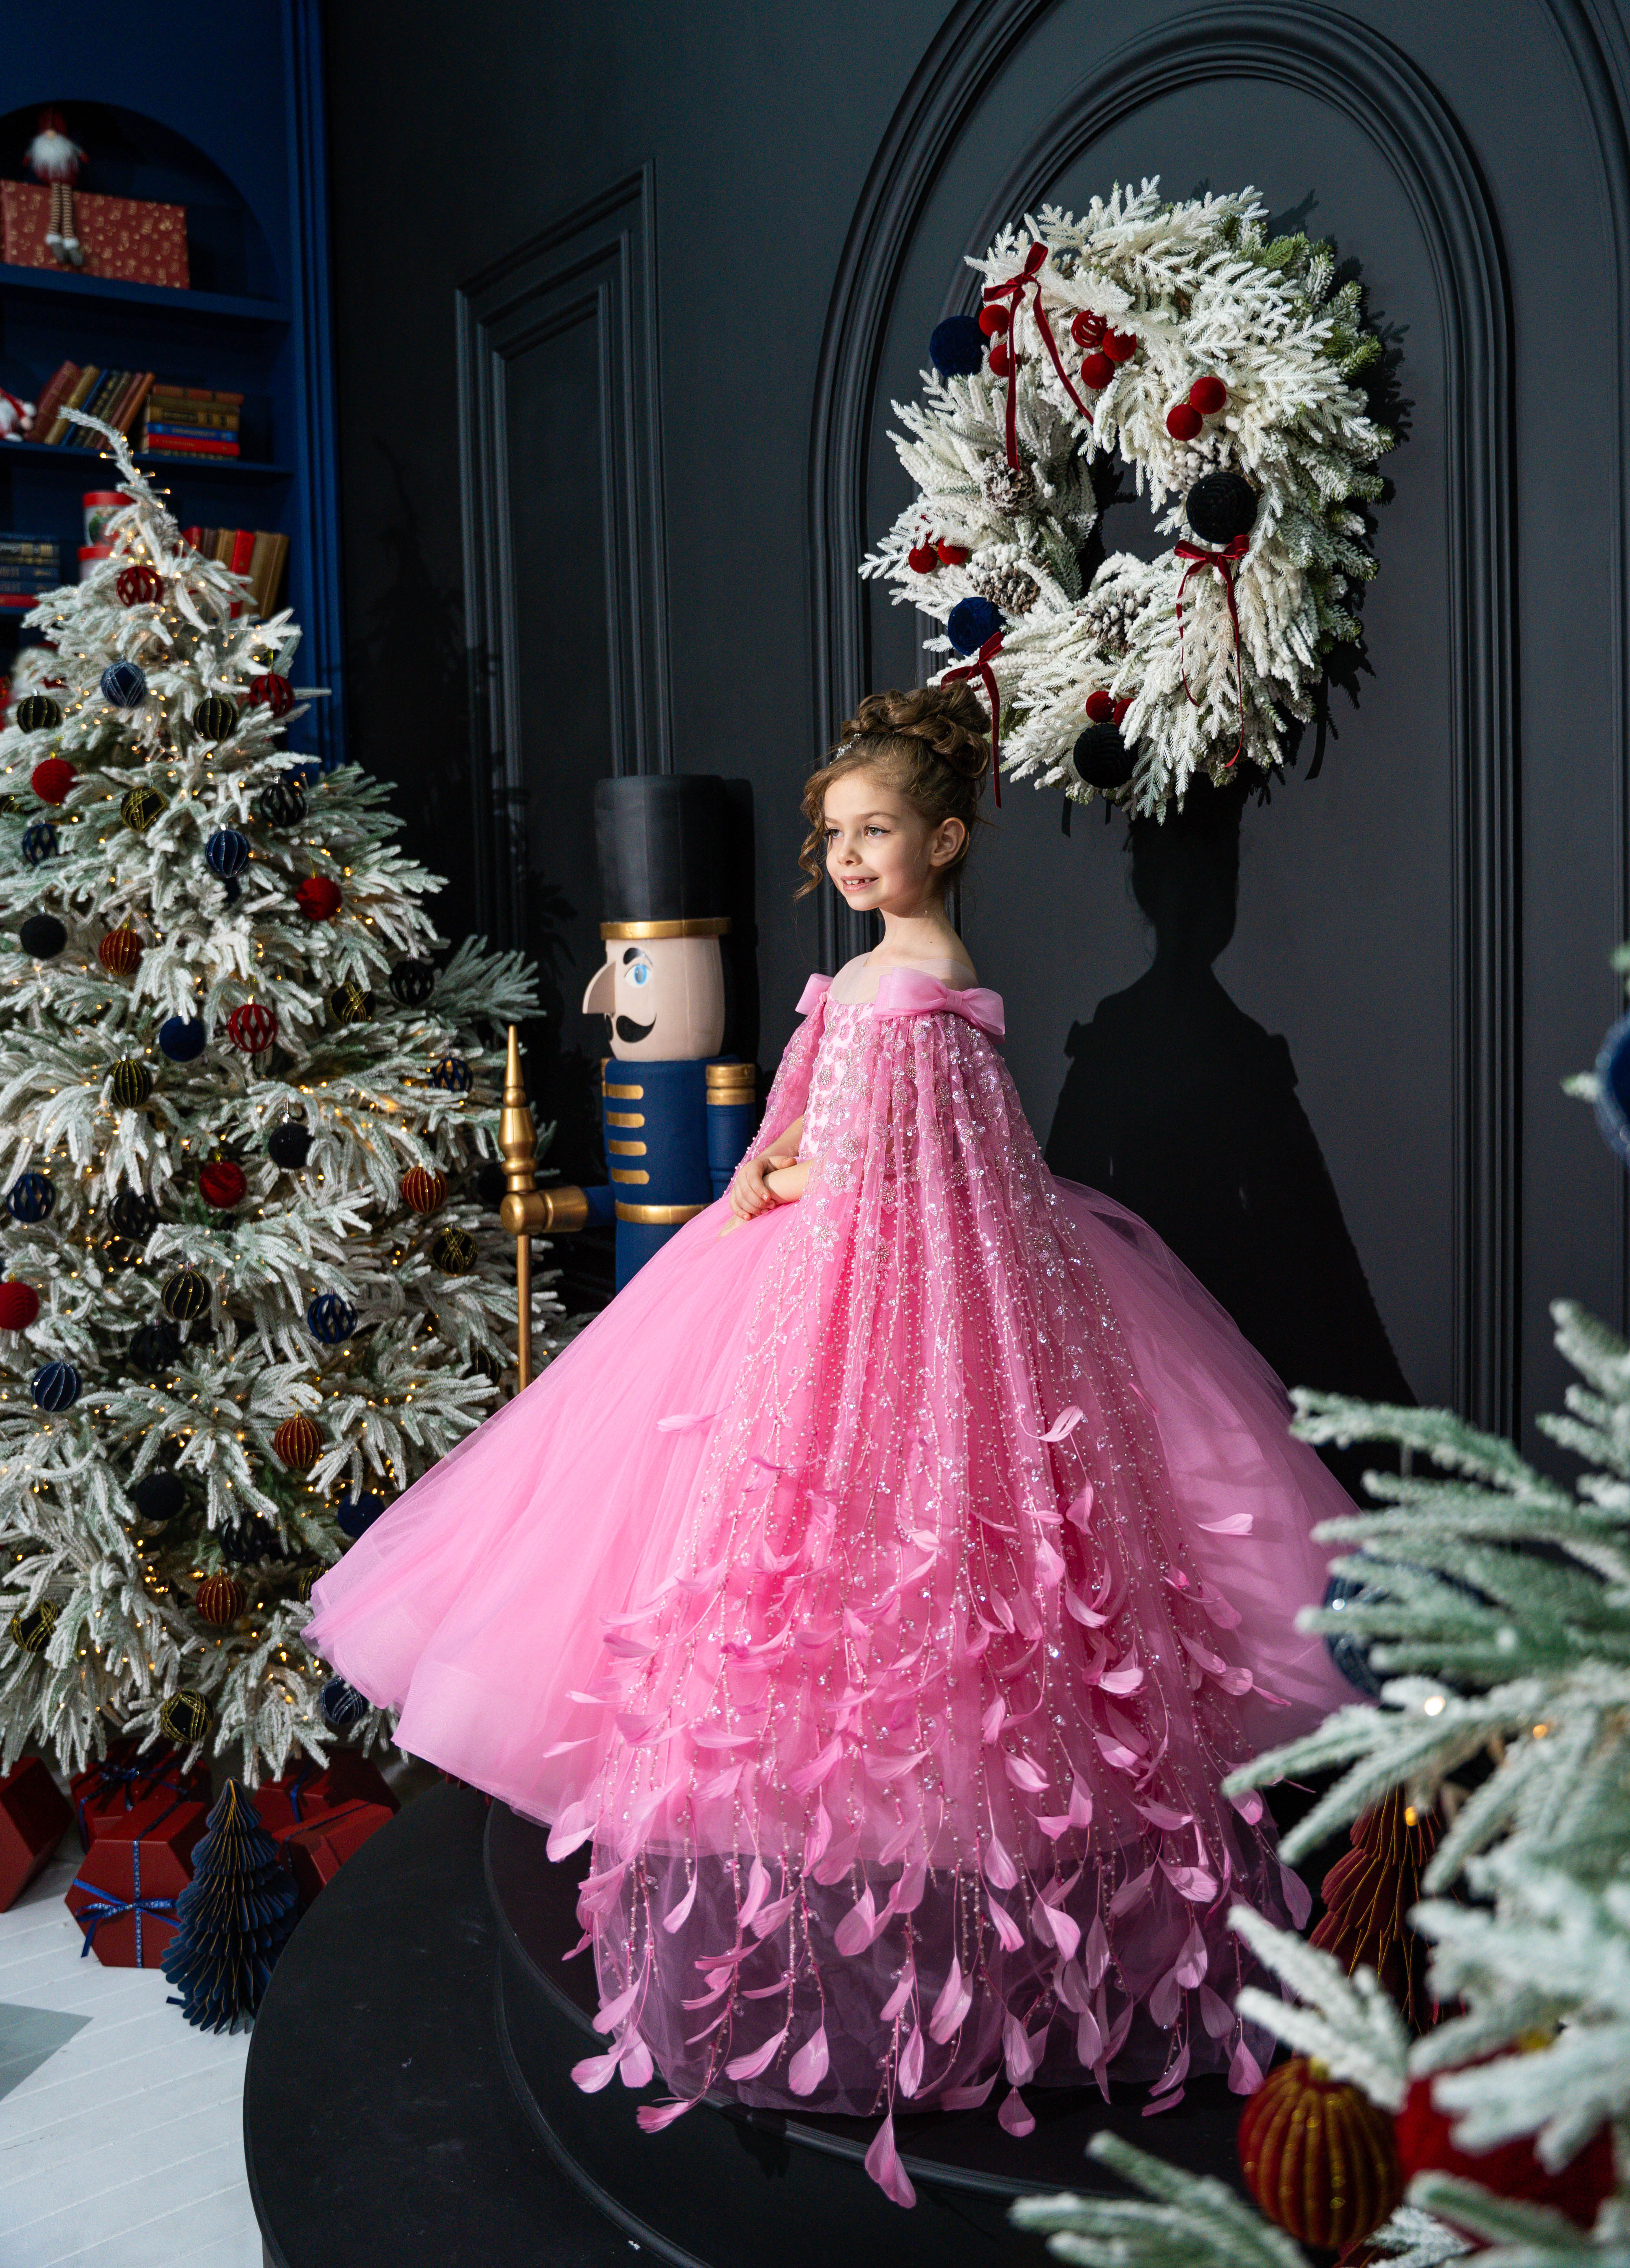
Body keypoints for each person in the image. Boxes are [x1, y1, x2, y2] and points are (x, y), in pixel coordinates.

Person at [306, 685, 1356, 2207]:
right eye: (837, 837)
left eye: (879, 833)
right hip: (833, 1269)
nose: (854, 857)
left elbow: (920, 1161)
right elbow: (822, 1124)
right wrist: (777, 1174)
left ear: (945, 837)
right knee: (781, 1560)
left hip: (909, 1295)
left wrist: (786, 1182)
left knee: (911, 1564)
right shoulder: (874, 977)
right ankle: (841, 1855)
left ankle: (945, 1906)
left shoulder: (928, 988)